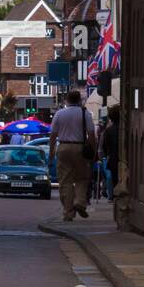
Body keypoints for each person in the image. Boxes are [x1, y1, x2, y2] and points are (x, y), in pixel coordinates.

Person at [49, 89, 96, 221]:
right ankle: (80, 202)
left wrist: (51, 154)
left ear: (67, 100)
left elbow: (53, 136)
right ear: (79, 100)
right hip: (80, 147)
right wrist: (93, 151)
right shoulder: (84, 113)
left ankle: (68, 212)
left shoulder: (59, 114)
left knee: (65, 181)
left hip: (63, 147)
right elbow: (91, 134)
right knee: (82, 178)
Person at [104, 105, 121, 199]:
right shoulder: (124, 129)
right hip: (124, 159)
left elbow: (105, 146)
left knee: (115, 181)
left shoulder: (109, 130)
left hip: (113, 159)